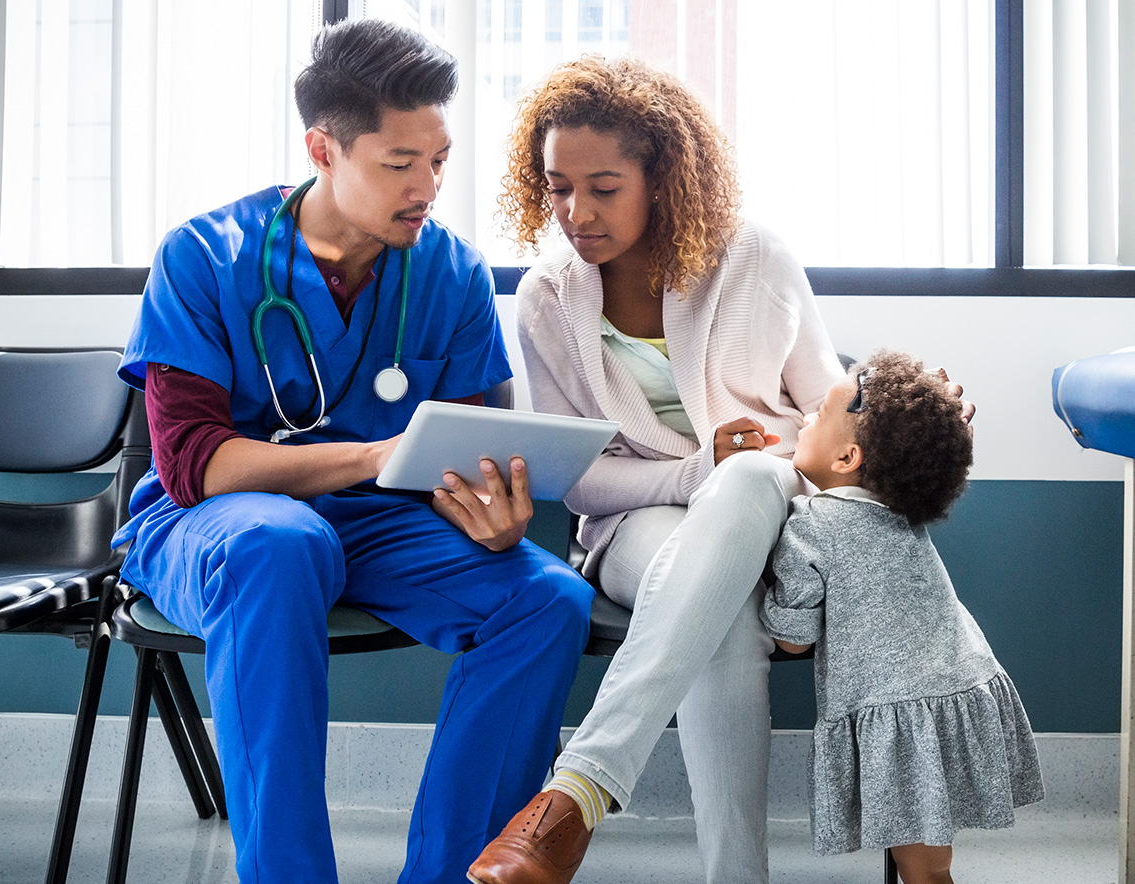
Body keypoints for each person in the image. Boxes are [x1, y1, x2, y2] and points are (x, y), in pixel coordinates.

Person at [111, 19, 593, 884]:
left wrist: (493, 510)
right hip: (215, 527)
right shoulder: (203, 256)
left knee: (548, 597)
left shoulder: (451, 272)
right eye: (399, 164)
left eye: (439, 160)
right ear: (323, 150)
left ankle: (453, 877)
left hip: (378, 528)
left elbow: (483, 445)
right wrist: (373, 458)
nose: (427, 186)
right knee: (280, 542)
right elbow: (193, 467)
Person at [469, 56, 852, 884]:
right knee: (717, 609)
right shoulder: (546, 298)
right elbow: (582, 480)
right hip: (635, 524)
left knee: (748, 482)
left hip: (778, 505)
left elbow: (832, 418)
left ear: (663, 176)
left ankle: (574, 793)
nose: (576, 212)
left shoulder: (755, 260)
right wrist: (692, 475)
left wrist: (895, 415)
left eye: (604, 187)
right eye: (557, 187)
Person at [759, 350, 1044, 884]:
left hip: (899, 711)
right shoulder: (902, 513)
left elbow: (794, 641)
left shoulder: (811, 525)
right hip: (958, 688)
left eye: (817, 415)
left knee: (923, 872)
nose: (802, 419)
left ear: (847, 458)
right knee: (930, 864)